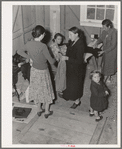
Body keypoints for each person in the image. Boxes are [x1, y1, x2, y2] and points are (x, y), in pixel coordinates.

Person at [17, 25, 56, 118]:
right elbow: (51, 61)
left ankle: (38, 110)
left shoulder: (29, 43)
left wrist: (29, 57)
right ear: (42, 35)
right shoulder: (43, 46)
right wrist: (56, 59)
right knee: (46, 90)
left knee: (37, 90)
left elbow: (19, 51)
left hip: (34, 70)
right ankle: (46, 111)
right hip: (43, 71)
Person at [59, 27, 85, 109]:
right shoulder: (71, 41)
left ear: (76, 34)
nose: (69, 37)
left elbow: (79, 61)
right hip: (70, 66)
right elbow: (69, 51)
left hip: (77, 69)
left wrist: (67, 58)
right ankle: (67, 95)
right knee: (69, 82)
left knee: (76, 85)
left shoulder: (81, 45)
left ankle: (77, 101)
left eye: (70, 34)